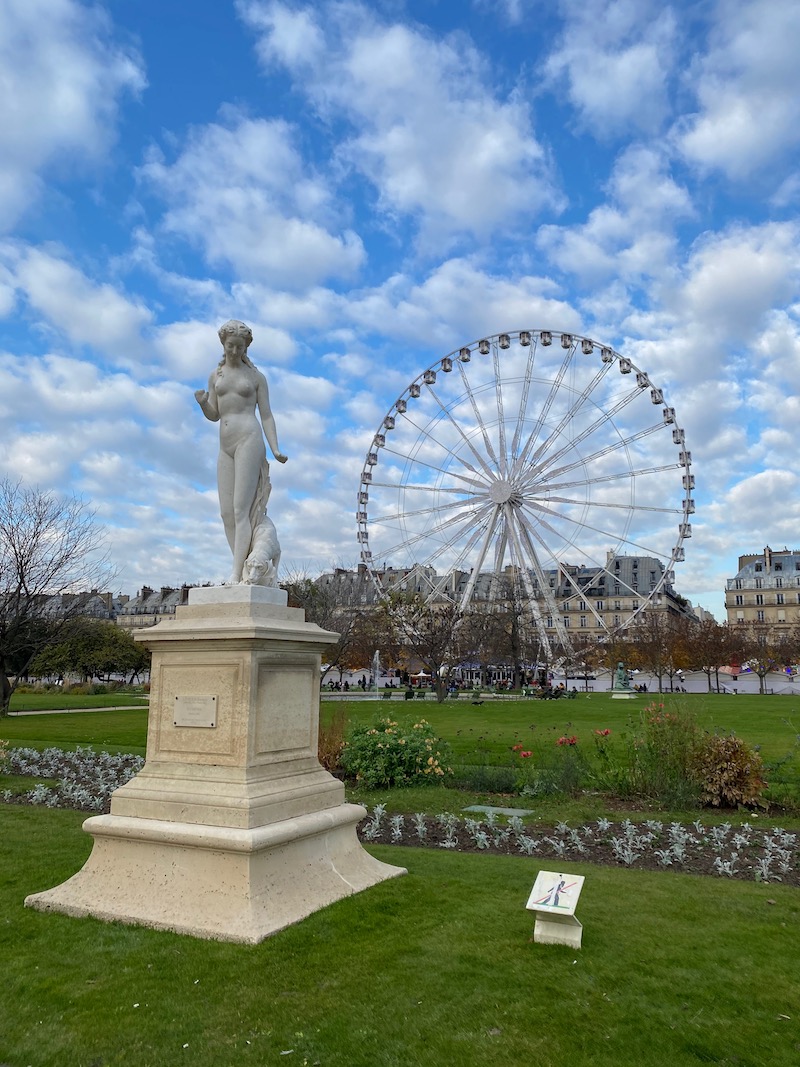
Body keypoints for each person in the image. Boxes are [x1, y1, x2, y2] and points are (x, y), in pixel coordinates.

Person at [195, 321, 287, 585]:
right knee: (226, 513)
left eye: (239, 347)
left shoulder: (256, 378)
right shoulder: (216, 376)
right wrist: (203, 404)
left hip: (249, 438)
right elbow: (215, 414)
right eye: (230, 346)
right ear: (223, 345)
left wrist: (275, 448)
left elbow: (267, 415)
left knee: (240, 511)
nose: (234, 351)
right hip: (225, 444)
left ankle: (236, 574)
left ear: (246, 347)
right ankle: (248, 565)